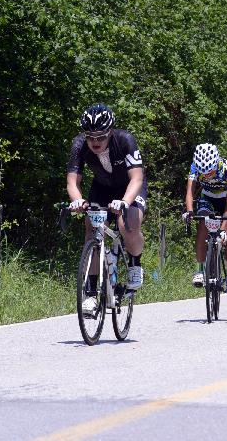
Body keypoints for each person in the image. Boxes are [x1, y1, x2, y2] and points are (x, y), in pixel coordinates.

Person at [67, 103, 147, 317]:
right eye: (90, 137)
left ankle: (135, 263)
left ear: (110, 132)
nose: (95, 142)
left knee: (126, 223)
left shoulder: (125, 140)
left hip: (129, 187)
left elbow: (137, 177)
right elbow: (73, 182)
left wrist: (124, 202)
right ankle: (91, 293)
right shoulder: (79, 144)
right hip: (102, 188)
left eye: (100, 137)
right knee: (92, 229)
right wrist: (77, 201)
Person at [182, 143, 227, 295]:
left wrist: (222, 229)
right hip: (207, 198)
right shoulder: (195, 166)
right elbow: (190, 192)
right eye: (204, 173)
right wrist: (189, 211)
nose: (206, 175)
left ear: (216, 163)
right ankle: (200, 269)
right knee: (203, 225)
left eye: (210, 172)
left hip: (226, 201)